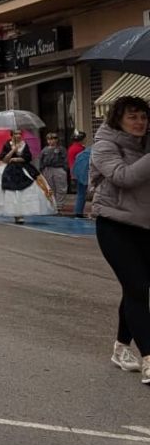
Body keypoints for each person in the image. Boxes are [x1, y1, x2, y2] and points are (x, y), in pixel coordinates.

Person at [88, 95, 150, 379]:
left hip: (145, 226)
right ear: (118, 119)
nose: (139, 123)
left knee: (136, 288)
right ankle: (149, 358)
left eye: (143, 117)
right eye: (132, 117)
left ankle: (121, 347)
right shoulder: (104, 146)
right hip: (114, 225)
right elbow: (124, 177)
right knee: (138, 288)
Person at [0, 135, 53, 224]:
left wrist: (18, 158)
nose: (18, 136)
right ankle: (17, 214)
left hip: (24, 168)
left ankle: (23, 212)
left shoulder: (24, 144)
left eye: (19, 133)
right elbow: (4, 159)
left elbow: (28, 157)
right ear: (12, 135)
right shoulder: (7, 145)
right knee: (13, 193)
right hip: (10, 171)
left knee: (29, 188)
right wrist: (13, 150)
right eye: (16, 133)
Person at [39, 131, 70, 211]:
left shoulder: (61, 149)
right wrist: (41, 169)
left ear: (56, 140)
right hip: (47, 169)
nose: (50, 141)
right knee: (50, 187)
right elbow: (41, 160)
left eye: (53, 139)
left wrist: (65, 168)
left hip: (58, 168)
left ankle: (59, 205)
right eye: (49, 139)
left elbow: (66, 159)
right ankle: (52, 204)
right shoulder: (44, 150)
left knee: (60, 187)